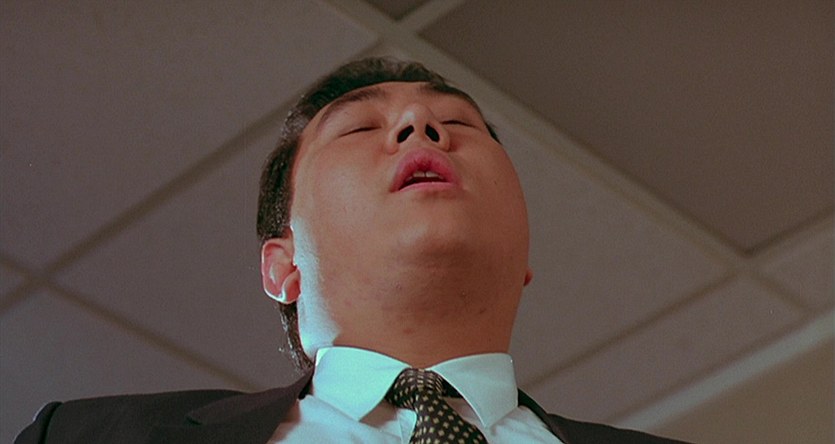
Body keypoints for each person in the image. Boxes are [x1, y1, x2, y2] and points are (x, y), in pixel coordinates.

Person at [16, 57, 687, 444]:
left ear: (525, 256)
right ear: (282, 265)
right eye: (361, 127)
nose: (419, 125)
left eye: (458, 122)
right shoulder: (86, 438)